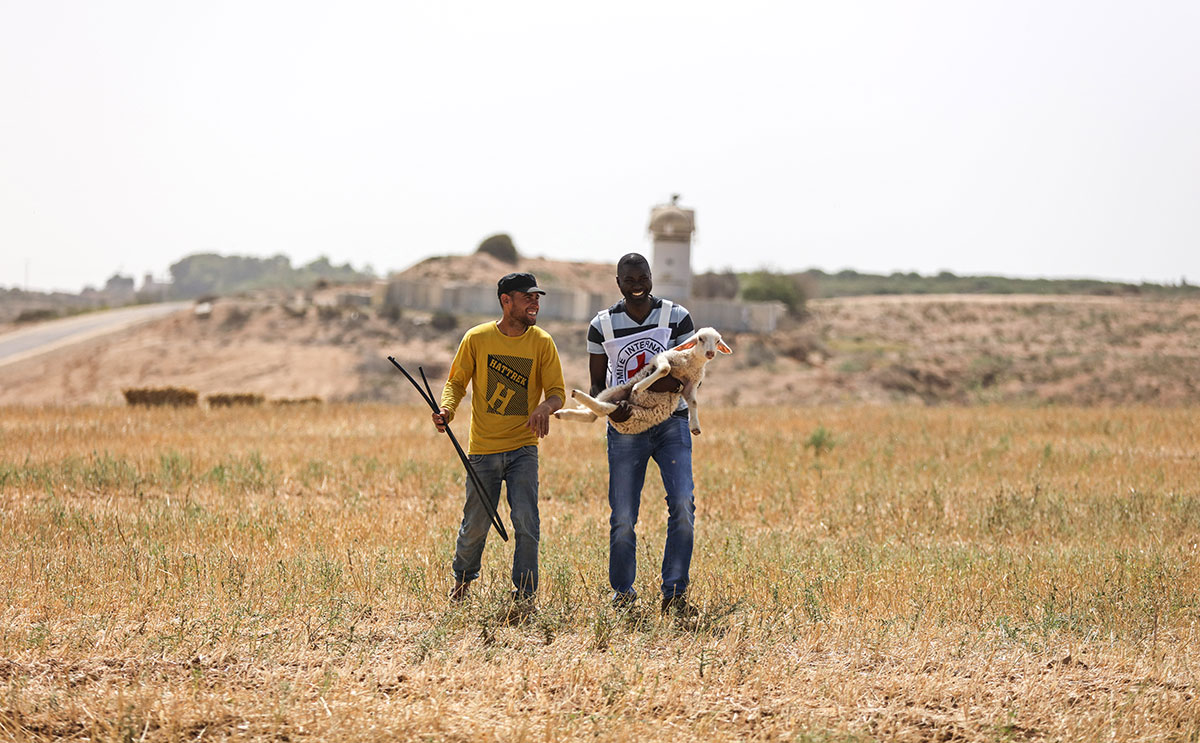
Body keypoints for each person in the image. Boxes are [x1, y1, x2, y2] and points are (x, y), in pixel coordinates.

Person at [433, 272, 565, 614]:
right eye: (527, 297)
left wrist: (545, 407)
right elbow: (456, 383)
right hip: (483, 450)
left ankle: (525, 597)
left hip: (524, 448)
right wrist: (447, 410)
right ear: (506, 301)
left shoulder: (542, 342)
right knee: (475, 524)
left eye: (537, 297)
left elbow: (557, 393)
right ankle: (461, 584)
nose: (535, 303)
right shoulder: (476, 338)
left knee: (527, 521)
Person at [587, 253, 699, 616]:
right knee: (622, 516)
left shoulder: (677, 317)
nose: (637, 286)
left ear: (652, 277)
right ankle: (622, 595)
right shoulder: (601, 325)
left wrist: (653, 387)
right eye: (629, 280)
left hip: (671, 423)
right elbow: (596, 385)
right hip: (625, 428)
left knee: (682, 505)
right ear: (618, 283)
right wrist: (612, 408)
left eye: (643, 278)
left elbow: (689, 376)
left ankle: (674, 593)